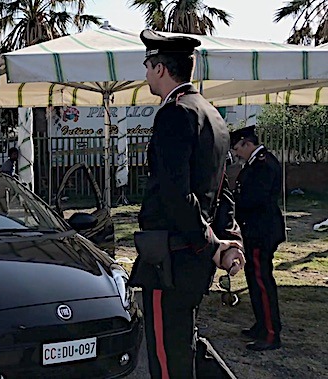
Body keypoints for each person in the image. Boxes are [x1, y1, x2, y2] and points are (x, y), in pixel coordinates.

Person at [128, 30, 245, 379]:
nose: (146, 73)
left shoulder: (175, 114)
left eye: (148, 65)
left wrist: (211, 244)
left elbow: (175, 193)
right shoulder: (214, 116)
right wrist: (226, 240)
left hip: (172, 260)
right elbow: (222, 191)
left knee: (167, 360)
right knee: (183, 347)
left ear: (161, 69)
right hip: (192, 260)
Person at [230, 125, 285, 351]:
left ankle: (271, 333)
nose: (236, 154)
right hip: (254, 230)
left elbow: (255, 198)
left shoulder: (263, 164)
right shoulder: (254, 163)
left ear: (246, 143)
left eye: (237, 149)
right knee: (254, 279)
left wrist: (234, 206)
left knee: (262, 282)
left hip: (261, 231)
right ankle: (261, 324)